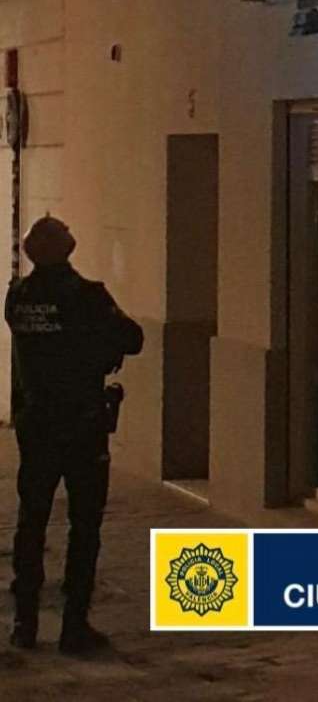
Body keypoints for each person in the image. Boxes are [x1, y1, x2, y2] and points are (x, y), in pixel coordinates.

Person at [5, 215, 144, 654]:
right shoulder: (86, 295)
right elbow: (133, 338)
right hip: (81, 424)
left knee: (32, 522)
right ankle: (74, 624)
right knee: (85, 525)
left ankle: (25, 623)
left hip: (36, 425)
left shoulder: (18, 298)